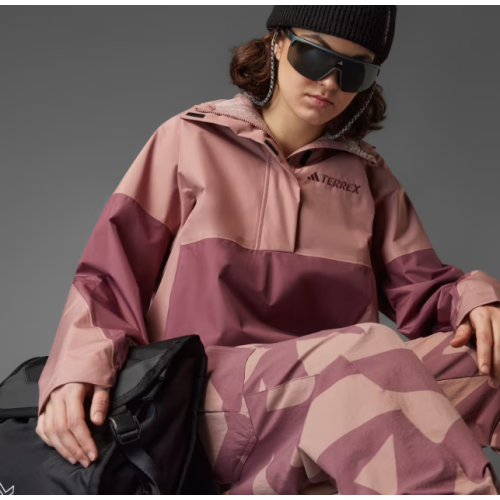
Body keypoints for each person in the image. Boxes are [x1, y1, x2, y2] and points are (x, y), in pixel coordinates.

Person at [35, 5, 500, 494]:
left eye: (354, 71)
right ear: (277, 43)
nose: (330, 83)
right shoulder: (191, 139)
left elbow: (427, 291)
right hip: (203, 400)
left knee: (485, 360)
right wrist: (75, 371)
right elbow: (110, 274)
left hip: (341, 389)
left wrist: (480, 302)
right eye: (315, 56)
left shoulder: (369, 179)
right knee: (369, 349)